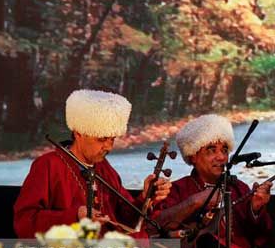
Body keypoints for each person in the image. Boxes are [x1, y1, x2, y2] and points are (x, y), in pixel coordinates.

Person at [14, 89, 171, 239]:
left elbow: (124, 219)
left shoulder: (104, 167)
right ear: (79, 133)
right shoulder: (48, 165)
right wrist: (75, 216)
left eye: (112, 139)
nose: (109, 147)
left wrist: (145, 197)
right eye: (102, 139)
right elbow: (24, 222)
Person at [150, 114, 273, 248]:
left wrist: (255, 209)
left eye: (225, 150)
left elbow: (261, 237)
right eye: (211, 150)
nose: (221, 157)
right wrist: (194, 201)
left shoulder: (238, 187)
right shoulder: (177, 189)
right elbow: (155, 230)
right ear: (193, 156)